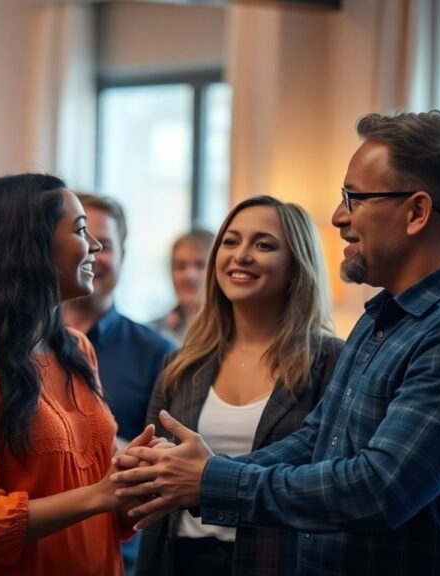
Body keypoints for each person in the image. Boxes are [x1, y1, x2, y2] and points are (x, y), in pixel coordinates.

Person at [113, 111, 440, 575]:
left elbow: (378, 489)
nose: (339, 217)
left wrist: (212, 480)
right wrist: (187, 475)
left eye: (353, 198)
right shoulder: (384, 316)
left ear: (416, 212)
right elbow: (319, 439)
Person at [0, 174, 160, 575]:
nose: (94, 245)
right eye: (81, 230)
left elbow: (97, 506)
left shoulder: (77, 349)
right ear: (29, 246)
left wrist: (135, 480)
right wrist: (100, 494)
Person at [134, 196, 343, 576]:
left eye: (263, 245)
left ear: (296, 266)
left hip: (279, 562)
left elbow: (331, 483)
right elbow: (152, 484)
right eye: (230, 242)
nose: (241, 255)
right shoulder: (182, 364)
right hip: (182, 558)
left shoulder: (330, 362)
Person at [62, 193, 176, 574]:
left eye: (104, 245)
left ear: (124, 254)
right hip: (28, 547)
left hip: (119, 554)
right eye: (79, 237)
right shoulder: (17, 348)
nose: (90, 253)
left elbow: (166, 463)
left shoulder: (158, 353)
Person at [152, 229, 215, 343]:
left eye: (200, 265)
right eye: (180, 266)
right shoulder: (151, 334)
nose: (189, 275)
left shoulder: (237, 335)